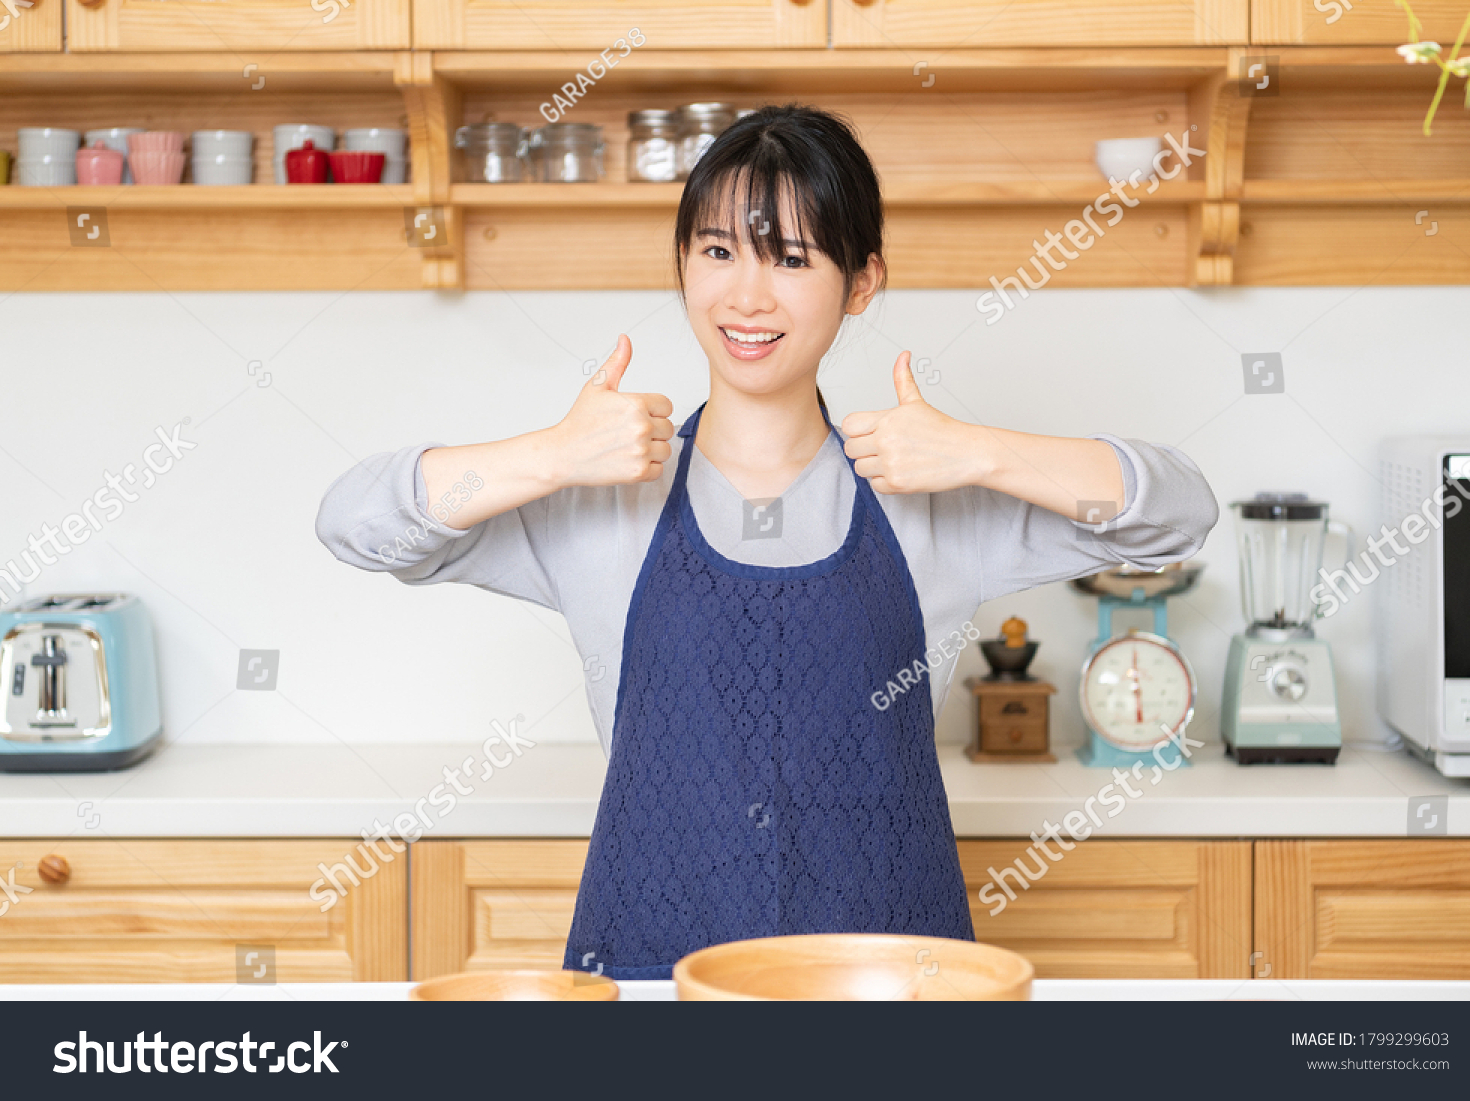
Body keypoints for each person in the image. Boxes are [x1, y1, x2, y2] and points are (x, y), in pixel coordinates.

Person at [315, 104, 1219, 980]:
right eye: (717, 251)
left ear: (862, 281)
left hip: (887, 985)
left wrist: (984, 449)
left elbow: (1179, 512)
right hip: (651, 976)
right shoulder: (598, 497)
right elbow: (356, 525)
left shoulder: (931, 494)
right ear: (681, 264)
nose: (746, 295)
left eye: (790, 257)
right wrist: (550, 454)